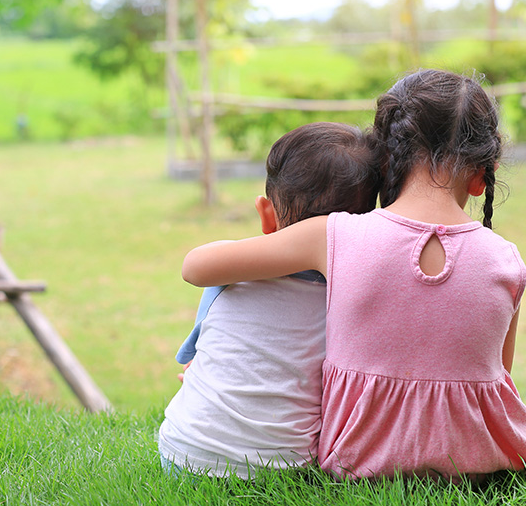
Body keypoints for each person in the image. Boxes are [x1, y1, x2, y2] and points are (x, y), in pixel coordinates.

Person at [182, 69, 526, 481]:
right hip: (476, 462)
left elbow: (197, 268)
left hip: (359, 460)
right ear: (481, 177)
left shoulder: (335, 234)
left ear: (385, 161)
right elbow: (498, 377)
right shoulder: (506, 260)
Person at [159, 122, 379, 478]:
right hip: (283, 469)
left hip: (183, 452)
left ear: (266, 214)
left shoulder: (230, 271)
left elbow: (193, 266)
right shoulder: (354, 299)